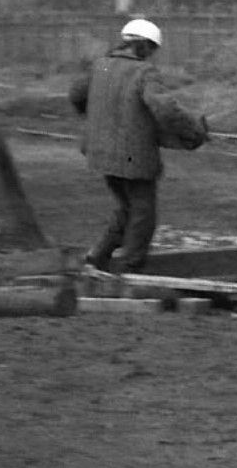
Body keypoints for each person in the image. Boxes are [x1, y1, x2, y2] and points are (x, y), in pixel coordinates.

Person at [68, 17, 209, 277]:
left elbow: (77, 96)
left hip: (100, 153)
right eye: (151, 49)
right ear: (143, 46)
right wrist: (193, 131)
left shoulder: (102, 67)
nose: (151, 56)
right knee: (143, 213)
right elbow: (165, 108)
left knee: (126, 207)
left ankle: (97, 258)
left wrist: (99, 120)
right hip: (133, 156)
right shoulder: (143, 73)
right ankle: (129, 268)